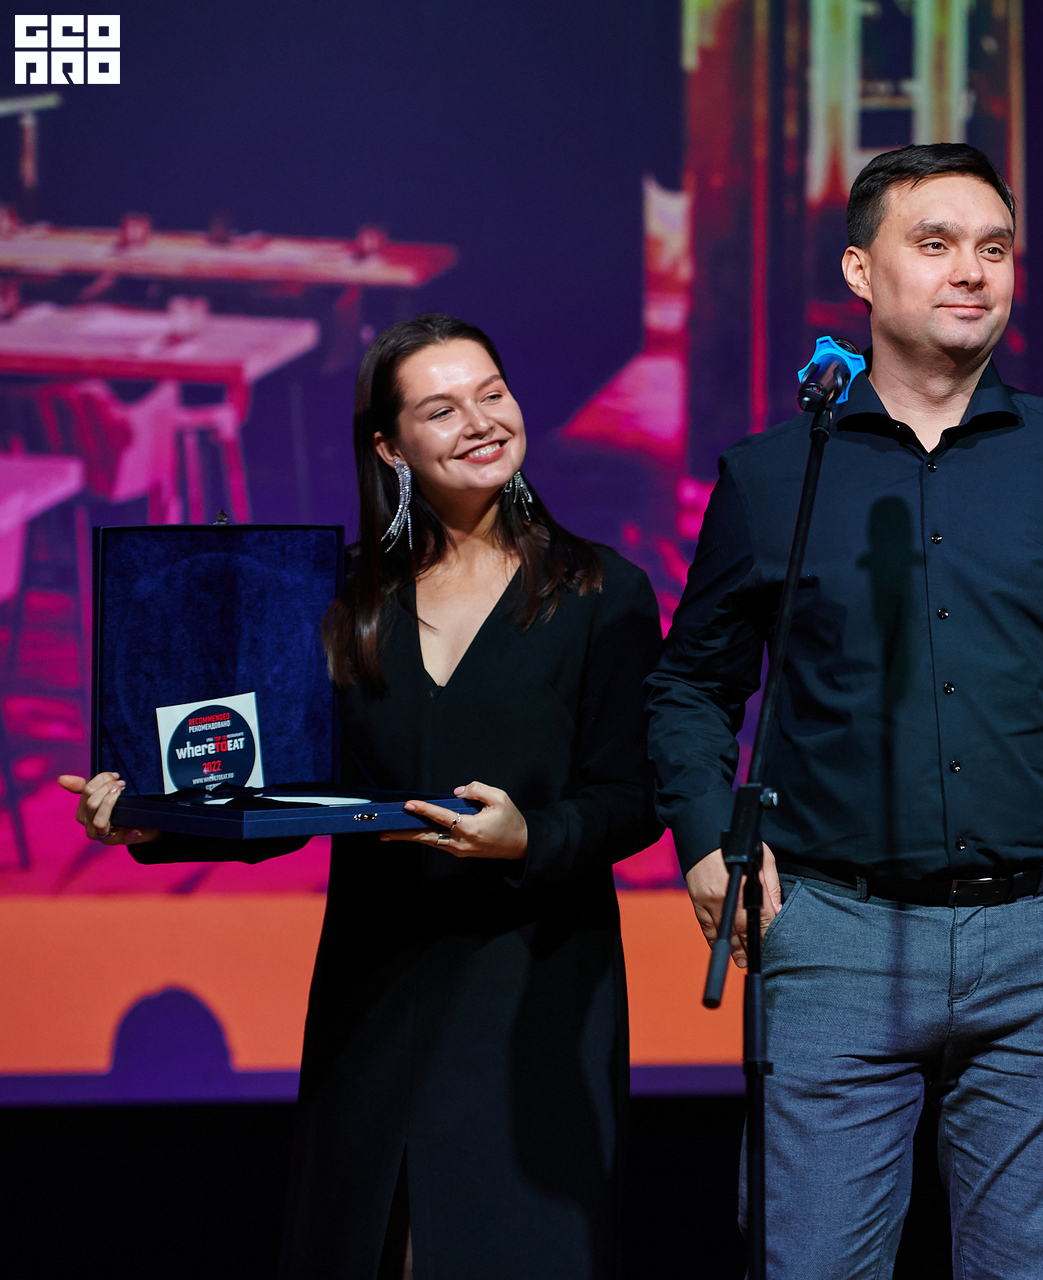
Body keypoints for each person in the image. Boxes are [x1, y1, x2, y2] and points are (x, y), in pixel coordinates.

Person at [647, 143, 1043, 1278]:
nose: (971, 272)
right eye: (934, 244)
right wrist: (704, 837)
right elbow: (692, 683)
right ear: (860, 269)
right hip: (832, 928)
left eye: (994, 248)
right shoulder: (772, 474)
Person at [61, 314, 663, 1280]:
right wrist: (152, 821)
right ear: (390, 447)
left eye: (492, 393)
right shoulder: (340, 597)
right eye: (442, 409)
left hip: (534, 992)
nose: (481, 421)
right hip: (378, 986)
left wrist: (529, 836)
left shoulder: (602, 589)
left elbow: (635, 797)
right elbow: (292, 790)